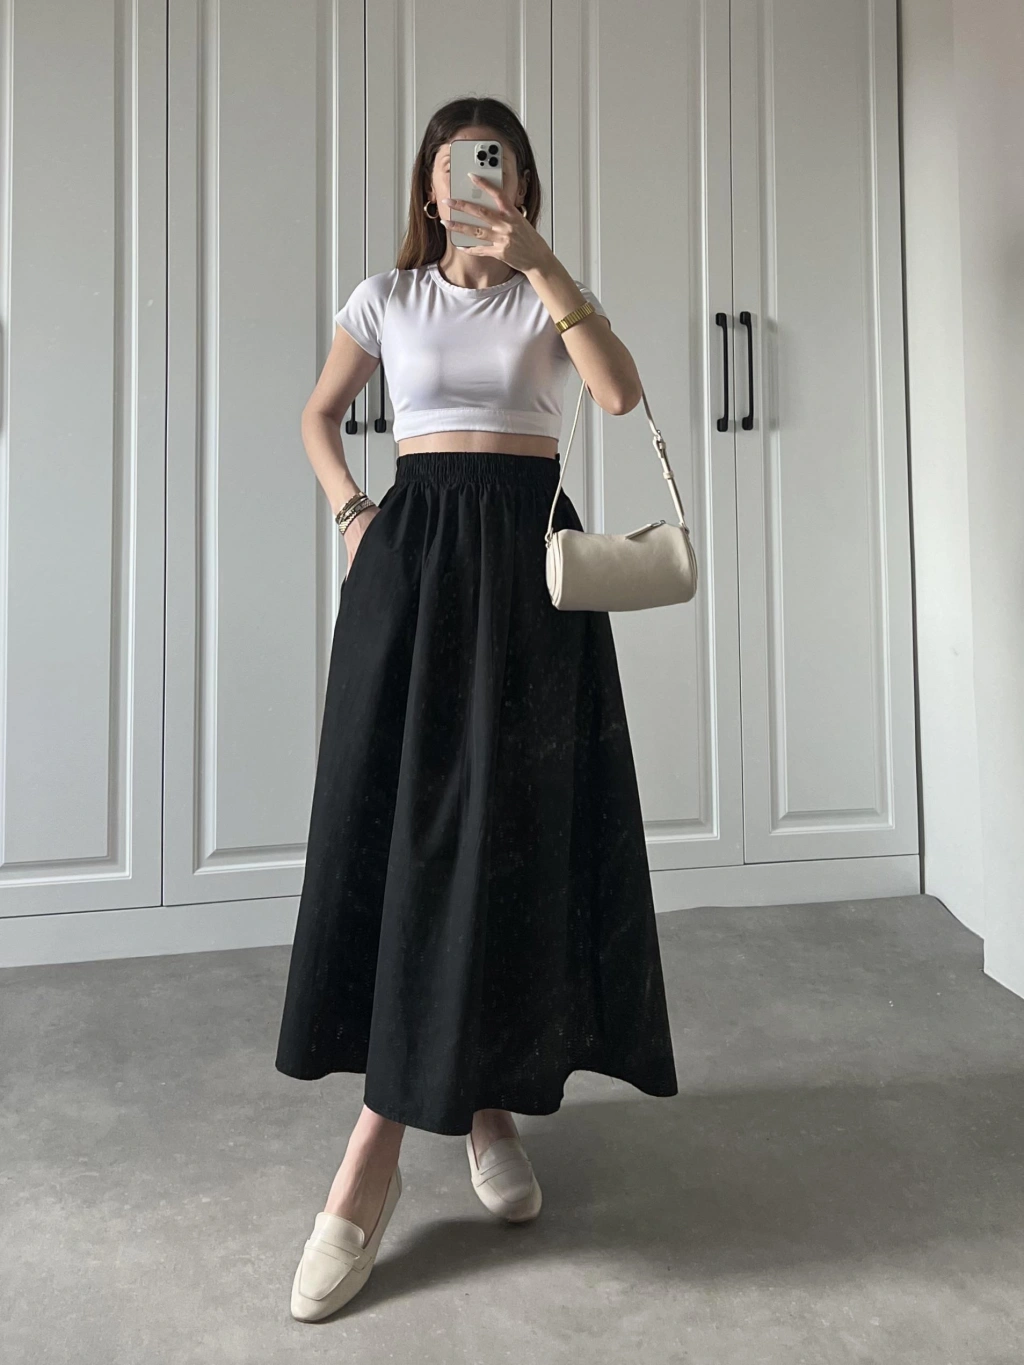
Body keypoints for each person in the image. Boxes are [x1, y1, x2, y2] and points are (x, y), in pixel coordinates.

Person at [276, 95, 678, 1322]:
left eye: (497, 169)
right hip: (413, 572)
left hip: (529, 579)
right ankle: (378, 1148)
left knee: (512, 836)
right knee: (412, 836)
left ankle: (487, 1104)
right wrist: (354, 511)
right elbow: (317, 414)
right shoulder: (385, 299)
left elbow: (617, 397)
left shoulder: (549, 298)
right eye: (458, 169)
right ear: (429, 186)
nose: (476, 186)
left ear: (524, 185)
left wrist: (544, 264)